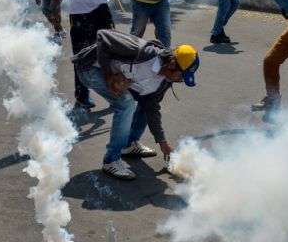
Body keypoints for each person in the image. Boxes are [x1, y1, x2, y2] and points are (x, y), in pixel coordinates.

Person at [72, 29, 200, 180]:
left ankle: (129, 144)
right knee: (126, 103)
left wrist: (162, 142)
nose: (180, 80)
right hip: (90, 69)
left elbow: (152, 109)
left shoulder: (164, 82)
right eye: (181, 76)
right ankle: (111, 160)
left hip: (111, 74)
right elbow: (102, 35)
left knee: (148, 102)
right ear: (172, 64)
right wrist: (108, 75)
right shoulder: (142, 52)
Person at [63, 0, 118, 109]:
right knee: (83, 54)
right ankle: (82, 95)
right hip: (81, 9)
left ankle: (114, 90)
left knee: (111, 50)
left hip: (101, 6)